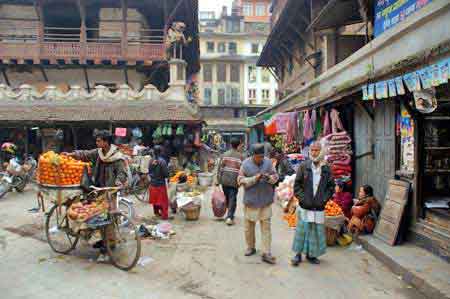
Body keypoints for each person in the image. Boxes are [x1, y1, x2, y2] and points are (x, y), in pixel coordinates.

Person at [67, 130, 128, 260]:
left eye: (99, 140)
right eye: (97, 140)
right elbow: (86, 154)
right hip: (98, 189)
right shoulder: (99, 153)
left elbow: (122, 173)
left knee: (108, 219)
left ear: (106, 142)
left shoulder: (117, 157)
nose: (97, 142)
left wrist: (119, 180)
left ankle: (110, 244)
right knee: (97, 217)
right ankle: (102, 241)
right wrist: (72, 154)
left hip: (110, 191)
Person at [291, 141, 335, 266]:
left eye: (317, 150)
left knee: (314, 232)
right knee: (302, 231)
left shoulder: (326, 169)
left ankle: (311, 255)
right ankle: (297, 255)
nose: (314, 152)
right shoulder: (304, 166)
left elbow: (331, 187)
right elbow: (297, 186)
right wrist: (303, 199)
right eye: (312, 150)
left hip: (318, 206)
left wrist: (324, 199)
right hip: (305, 205)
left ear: (321, 151)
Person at [238, 143, 278, 264]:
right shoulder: (245, 164)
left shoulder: (268, 163)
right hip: (251, 201)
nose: (260, 159)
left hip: (266, 200)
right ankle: (251, 247)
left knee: (266, 227)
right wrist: (254, 179)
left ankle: (266, 252)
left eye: (261, 156)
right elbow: (239, 180)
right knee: (249, 227)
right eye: (257, 157)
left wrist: (270, 178)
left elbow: (276, 176)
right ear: (252, 155)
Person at [217, 137, 244, 225]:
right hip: (234, 180)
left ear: (230, 144)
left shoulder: (224, 154)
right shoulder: (241, 156)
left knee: (227, 197)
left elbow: (220, 168)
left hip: (225, 179)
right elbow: (242, 170)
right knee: (232, 198)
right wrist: (241, 181)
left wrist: (218, 179)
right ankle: (230, 216)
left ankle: (230, 214)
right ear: (238, 145)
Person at [148, 145, 170, 220]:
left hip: (152, 184)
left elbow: (149, 171)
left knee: (155, 200)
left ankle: (157, 213)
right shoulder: (162, 161)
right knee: (163, 201)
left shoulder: (151, 160)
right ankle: (164, 216)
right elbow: (166, 174)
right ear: (161, 152)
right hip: (160, 184)